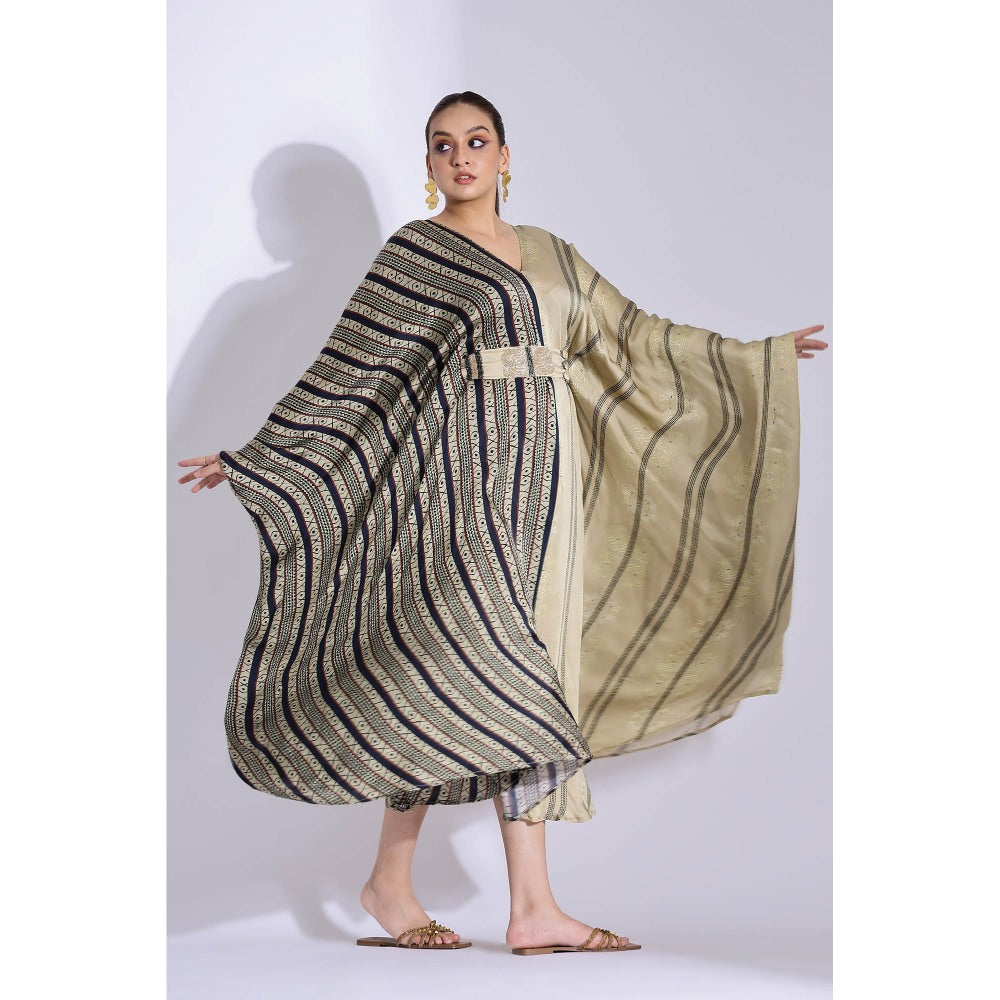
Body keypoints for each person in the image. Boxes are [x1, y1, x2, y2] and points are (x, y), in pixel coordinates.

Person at [177, 90, 827, 955]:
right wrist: (261, 458)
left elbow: (637, 337)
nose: (461, 157)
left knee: (509, 673)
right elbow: (350, 376)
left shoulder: (551, 253)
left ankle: (493, 902)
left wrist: (753, 358)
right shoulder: (415, 256)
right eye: (443, 145)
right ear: (428, 163)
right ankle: (459, 895)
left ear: (505, 155)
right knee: (464, 669)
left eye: (477, 141)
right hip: (462, 485)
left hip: (549, 489)